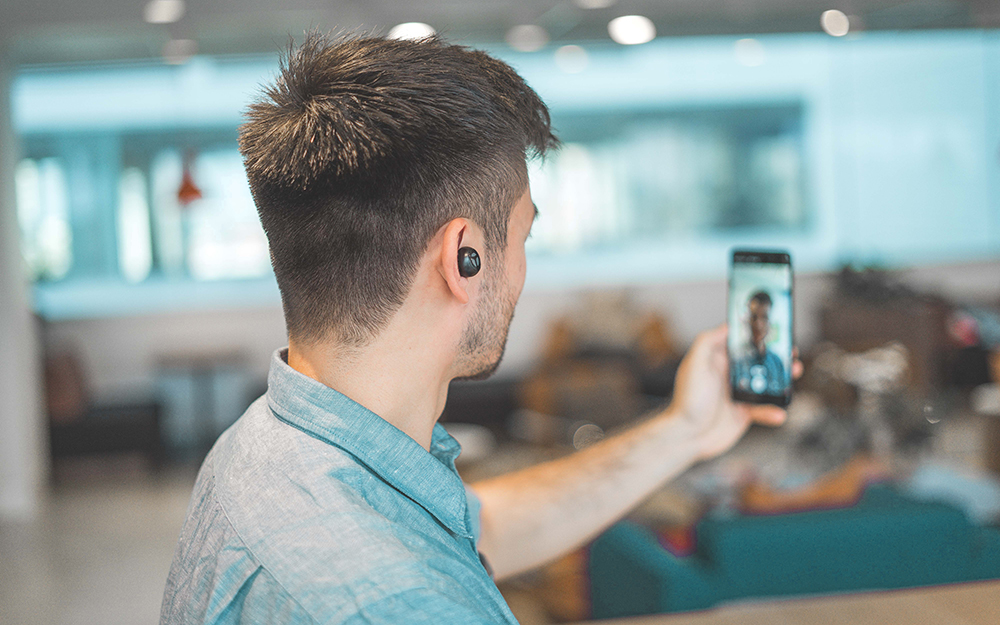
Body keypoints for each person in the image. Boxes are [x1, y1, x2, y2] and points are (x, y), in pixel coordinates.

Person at [160, 33, 796, 624]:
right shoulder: (406, 605)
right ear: (464, 257)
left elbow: (481, 532)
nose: (523, 268)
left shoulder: (263, 447)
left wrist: (685, 429)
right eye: (524, 234)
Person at [732, 291, 788, 395]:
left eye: (764, 317)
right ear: (747, 320)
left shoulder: (777, 362)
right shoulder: (735, 359)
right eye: (754, 317)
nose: (758, 324)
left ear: (770, 322)